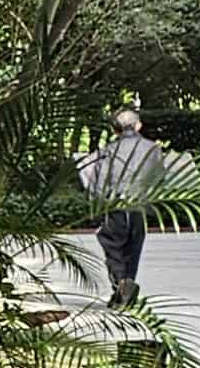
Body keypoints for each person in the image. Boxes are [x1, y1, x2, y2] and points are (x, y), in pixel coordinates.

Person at [75, 104, 184, 307]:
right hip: (140, 206)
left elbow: (99, 181)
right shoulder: (153, 149)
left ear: (115, 129)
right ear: (139, 125)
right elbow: (159, 178)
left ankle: (121, 285)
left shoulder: (108, 151)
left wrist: (96, 207)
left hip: (115, 204)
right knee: (133, 248)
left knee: (113, 246)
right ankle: (126, 286)